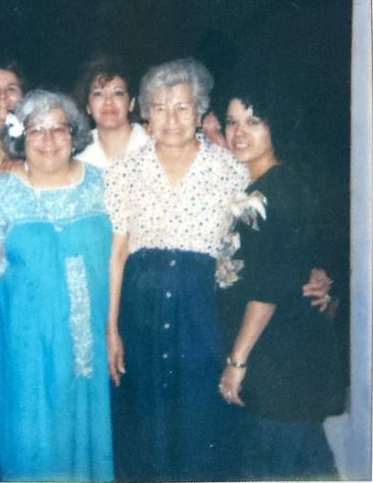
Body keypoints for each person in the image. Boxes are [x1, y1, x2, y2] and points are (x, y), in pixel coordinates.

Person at [104, 57, 332, 481]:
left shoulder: (231, 170)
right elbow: (117, 255)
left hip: (204, 312)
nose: (171, 118)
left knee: (202, 427)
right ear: (146, 115)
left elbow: (272, 236)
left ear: (199, 113)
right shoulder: (122, 172)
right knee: (145, 429)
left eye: (182, 107)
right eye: (160, 107)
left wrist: (316, 270)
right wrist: (111, 327)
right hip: (141, 311)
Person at [0, 89, 114, 482]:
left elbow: (118, 260)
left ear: (74, 133)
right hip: (26, 353)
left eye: (58, 129)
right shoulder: (3, 190)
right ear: (20, 139)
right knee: (33, 453)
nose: (48, 140)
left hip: (87, 351)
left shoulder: (102, 185)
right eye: (36, 131)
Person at [216, 78, 344, 479]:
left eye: (254, 122)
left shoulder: (279, 189)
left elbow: (267, 288)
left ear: (276, 127)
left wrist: (237, 361)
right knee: (307, 463)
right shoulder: (264, 185)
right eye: (232, 122)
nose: (239, 133)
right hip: (285, 356)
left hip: (281, 359)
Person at [73, 54, 148, 168]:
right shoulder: (78, 162)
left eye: (118, 93)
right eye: (98, 94)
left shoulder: (155, 147)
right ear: (88, 106)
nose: (108, 102)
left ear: (131, 103)